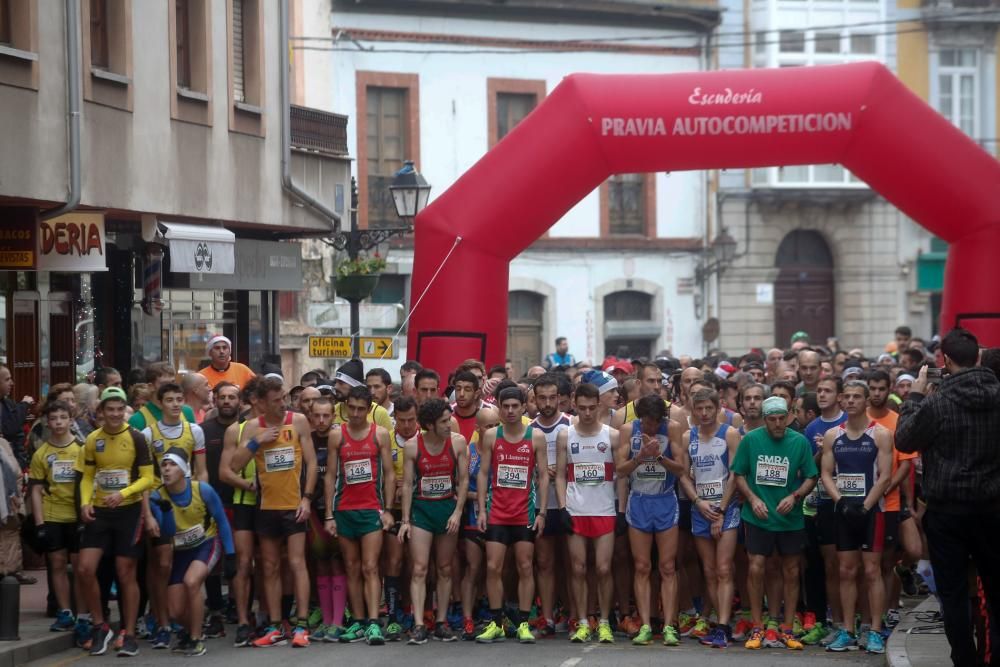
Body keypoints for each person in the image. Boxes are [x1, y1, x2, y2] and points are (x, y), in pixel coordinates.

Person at [896, 328, 1000, 667]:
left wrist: (914, 396)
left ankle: (965, 660)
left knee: (954, 593)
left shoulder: (937, 403)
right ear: (978, 358)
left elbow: (905, 440)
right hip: (991, 507)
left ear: (946, 361)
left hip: (947, 511)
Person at [231, 376, 318, 648]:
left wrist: (306, 499)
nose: (282, 404)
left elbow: (313, 463)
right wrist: (256, 441)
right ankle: (275, 625)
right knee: (269, 567)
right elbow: (234, 465)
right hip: (266, 506)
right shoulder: (252, 428)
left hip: (293, 504)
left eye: (283, 398)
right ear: (261, 403)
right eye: (276, 401)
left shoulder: (298, 421)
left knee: (296, 563)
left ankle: (301, 625)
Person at [75, 387, 155, 657]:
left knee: (125, 572)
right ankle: (100, 626)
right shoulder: (92, 440)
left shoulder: (136, 438)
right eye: (110, 409)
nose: (115, 414)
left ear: (125, 411)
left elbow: (148, 478)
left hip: (128, 512)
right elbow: (87, 476)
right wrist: (85, 502)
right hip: (99, 511)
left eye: (120, 409)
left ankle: (129, 633)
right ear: (101, 412)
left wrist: (123, 494)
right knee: (85, 569)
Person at [732, 396, 816, 651]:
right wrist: (752, 498)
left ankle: (787, 627)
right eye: (772, 420)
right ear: (765, 419)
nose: (778, 424)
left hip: (790, 517)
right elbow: (738, 474)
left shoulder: (799, 441)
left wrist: (795, 496)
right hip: (758, 515)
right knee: (756, 567)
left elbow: (811, 476)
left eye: (782, 419)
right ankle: (757, 626)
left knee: (791, 570)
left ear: (789, 416)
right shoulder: (751, 439)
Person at [820, 380, 893, 654]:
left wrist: (866, 506)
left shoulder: (881, 434)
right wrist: (840, 502)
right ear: (841, 400)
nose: (851, 401)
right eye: (847, 397)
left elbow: (885, 475)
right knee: (845, 571)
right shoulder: (832, 435)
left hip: (871, 511)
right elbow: (826, 472)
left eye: (856, 397)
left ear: (865, 401)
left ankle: (874, 630)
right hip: (844, 511)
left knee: (872, 571)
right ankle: (847, 630)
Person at [475, 386, 549, 644]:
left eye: (514, 406)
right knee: (493, 567)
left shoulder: (536, 437)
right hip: (497, 512)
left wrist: (542, 512)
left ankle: (524, 623)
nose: (509, 411)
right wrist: (482, 510)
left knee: (525, 567)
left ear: (523, 408)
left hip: (524, 513)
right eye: (505, 406)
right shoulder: (492, 436)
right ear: (498, 406)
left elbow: (542, 477)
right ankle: (496, 623)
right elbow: (483, 472)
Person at [324, 385, 396, 646]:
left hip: (371, 510)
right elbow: (330, 475)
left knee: (370, 566)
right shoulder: (337, 435)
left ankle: (374, 623)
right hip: (344, 510)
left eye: (360, 409)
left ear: (369, 409)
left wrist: (388, 510)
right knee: (351, 568)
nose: (355, 413)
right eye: (350, 408)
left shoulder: (380, 434)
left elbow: (389, 474)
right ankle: (357, 620)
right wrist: (329, 515)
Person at [614, 394, 688, 647]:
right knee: (642, 566)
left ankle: (668, 626)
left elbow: (681, 469)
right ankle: (645, 625)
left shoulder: (674, 429)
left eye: (656, 422)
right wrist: (641, 456)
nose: (651, 427)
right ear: (640, 417)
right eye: (647, 422)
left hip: (666, 500)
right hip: (639, 502)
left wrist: (658, 457)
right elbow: (620, 470)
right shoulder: (627, 430)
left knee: (667, 567)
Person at [149, 449, 236, 657]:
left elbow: (222, 522)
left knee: (192, 581)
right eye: (164, 465)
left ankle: (196, 639)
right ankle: (191, 631)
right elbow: (167, 532)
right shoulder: (157, 496)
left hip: (206, 543)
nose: (167, 469)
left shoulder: (202, 490)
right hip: (180, 551)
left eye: (172, 465)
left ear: (184, 470)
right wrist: (167, 512)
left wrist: (231, 555)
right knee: (175, 611)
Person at [398, 398, 469, 644]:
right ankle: (419, 623)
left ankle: (441, 621)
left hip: (447, 509)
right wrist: (405, 520)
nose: (449, 425)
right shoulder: (412, 446)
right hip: (422, 511)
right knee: (419, 568)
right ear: (429, 424)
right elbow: (407, 484)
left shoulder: (458, 443)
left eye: (449, 419)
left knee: (445, 568)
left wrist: (458, 512)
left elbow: (463, 481)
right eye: (443, 422)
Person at [555, 382, 620, 644]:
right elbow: (560, 474)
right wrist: (562, 508)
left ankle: (603, 621)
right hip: (575, 509)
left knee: (603, 568)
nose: (587, 413)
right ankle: (582, 621)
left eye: (592, 408)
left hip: (604, 509)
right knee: (578, 568)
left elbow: (621, 476)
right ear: (574, 405)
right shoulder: (565, 435)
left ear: (599, 405)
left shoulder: (612, 435)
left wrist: (622, 509)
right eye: (582, 408)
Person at [677, 388, 741, 649]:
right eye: (699, 409)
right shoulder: (686, 437)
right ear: (693, 411)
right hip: (700, 508)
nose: (704, 414)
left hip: (727, 508)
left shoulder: (730, 434)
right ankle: (718, 622)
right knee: (710, 571)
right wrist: (698, 502)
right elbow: (682, 474)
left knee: (724, 568)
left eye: (709, 409)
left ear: (718, 409)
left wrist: (721, 511)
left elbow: (736, 474)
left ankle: (724, 626)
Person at [28, 400, 86, 633]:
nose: (59, 422)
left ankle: (83, 615)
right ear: (47, 422)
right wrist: (40, 524)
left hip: (78, 516)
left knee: (81, 567)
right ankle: (65, 613)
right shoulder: (42, 454)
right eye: (54, 419)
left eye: (63, 417)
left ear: (71, 420)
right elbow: (35, 490)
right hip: (53, 515)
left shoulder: (81, 448)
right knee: (57, 564)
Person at [217, 379, 259, 647]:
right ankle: (244, 620)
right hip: (244, 501)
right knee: (244, 564)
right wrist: (247, 485)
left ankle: (270, 617)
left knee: (269, 564)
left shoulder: (286, 424)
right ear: (255, 400)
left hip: (276, 503)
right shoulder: (237, 429)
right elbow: (225, 471)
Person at [529, 373, 572, 637]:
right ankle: (547, 618)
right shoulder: (528, 429)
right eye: (541, 397)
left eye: (551, 397)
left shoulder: (572, 425)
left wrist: (563, 471)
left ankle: (571, 614)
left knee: (570, 563)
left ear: (560, 398)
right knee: (544, 563)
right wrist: (541, 472)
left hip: (568, 504)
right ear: (534, 398)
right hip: (540, 504)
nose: (547, 402)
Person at [128, 363, 196, 430]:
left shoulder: (186, 412)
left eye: (173, 382)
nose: (171, 387)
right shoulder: (138, 420)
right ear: (151, 387)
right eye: (165, 384)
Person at [332, 359, 394, 432]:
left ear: (354, 386)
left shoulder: (379, 412)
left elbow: (389, 441)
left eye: (341, 383)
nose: (336, 387)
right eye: (352, 408)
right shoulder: (332, 410)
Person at [0, 363, 33, 468]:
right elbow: (8, 429)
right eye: (7, 379)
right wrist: (24, 405)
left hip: (13, 464)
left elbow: (18, 435)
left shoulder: (9, 404)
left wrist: (20, 463)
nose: (12, 383)